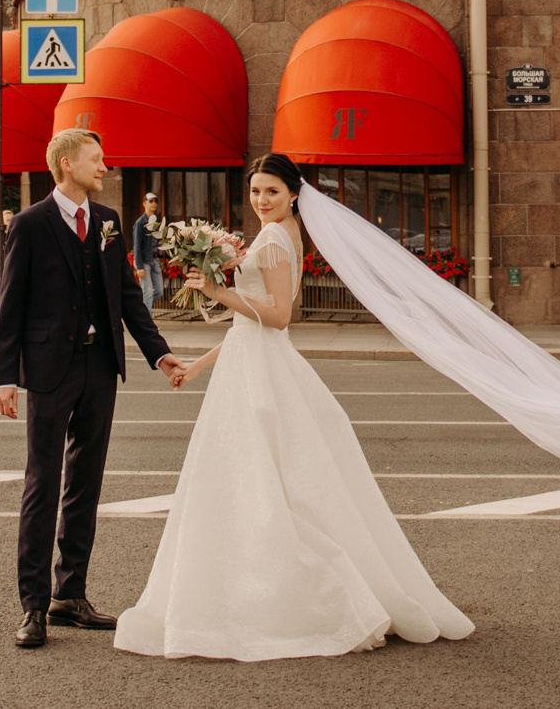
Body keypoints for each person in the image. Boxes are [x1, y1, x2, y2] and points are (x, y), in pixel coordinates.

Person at [118, 154, 473, 660]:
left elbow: (279, 317)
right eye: (256, 191)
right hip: (252, 364)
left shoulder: (276, 237)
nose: (261, 200)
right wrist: (196, 366)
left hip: (265, 373)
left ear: (293, 195)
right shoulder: (276, 235)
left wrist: (220, 290)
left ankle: (281, 600)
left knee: (266, 481)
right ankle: (260, 591)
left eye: (271, 192)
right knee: (267, 481)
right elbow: (250, 328)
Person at [0, 128, 180, 649]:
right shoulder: (29, 225)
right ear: (67, 163)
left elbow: (126, 296)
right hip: (49, 368)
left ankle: (70, 595)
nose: (105, 166)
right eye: (96, 159)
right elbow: (11, 304)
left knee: (86, 483)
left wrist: (158, 353)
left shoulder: (108, 222)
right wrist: (5, 376)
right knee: (42, 484)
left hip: (100, 367)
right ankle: (32, 607)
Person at [133, 190, 165, 310]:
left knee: (159, 291)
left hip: (154, 260)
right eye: (150, 201)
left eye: (156, 201)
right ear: (144, 204)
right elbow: (136, 246)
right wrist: (139, 267)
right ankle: (147, 326)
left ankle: (140, 310)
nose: (154, 204)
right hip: (144, 262)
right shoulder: (140, 223)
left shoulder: (156, 221)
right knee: (147, 295)